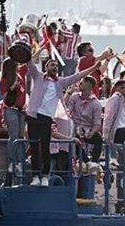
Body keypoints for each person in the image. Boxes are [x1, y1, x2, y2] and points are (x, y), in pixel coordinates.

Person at [25, 52, 104, 188]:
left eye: (56, 65)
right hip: (33, 115)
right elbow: (29, 62)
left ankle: (44, 176)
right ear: (46, 67)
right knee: (33, 147)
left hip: (47, 118)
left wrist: (94, 67)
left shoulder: (60, 82)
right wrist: (31, 49)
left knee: (45, 148)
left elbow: (78, 75)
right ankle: (35, 177)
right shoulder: (38, 77)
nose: (55, 67)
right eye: (52, 64)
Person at [0, 58, 26, 179]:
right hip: (11, 109)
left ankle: (20, 161)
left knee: (21, 136)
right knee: (13, 135)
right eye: (16, 64)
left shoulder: (21, 75)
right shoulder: (4, 80)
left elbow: (30, 61)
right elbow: (5, 98)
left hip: (21, 110)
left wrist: (40, 49)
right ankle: (12, 160)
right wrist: (12, 87)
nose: (18, 65)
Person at [66, 76, 102, 168]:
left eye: (81, 83)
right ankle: (87, 162)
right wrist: (69, 93)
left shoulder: (96, 103)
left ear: (89, 85)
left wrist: (92, 132)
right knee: (74, 140)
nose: (79, 85)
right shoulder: (74, 97)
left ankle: (94, 162)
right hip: (74, 128)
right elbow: (66, 110)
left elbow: (97, 123)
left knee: (98, 138)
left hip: (87, 129)